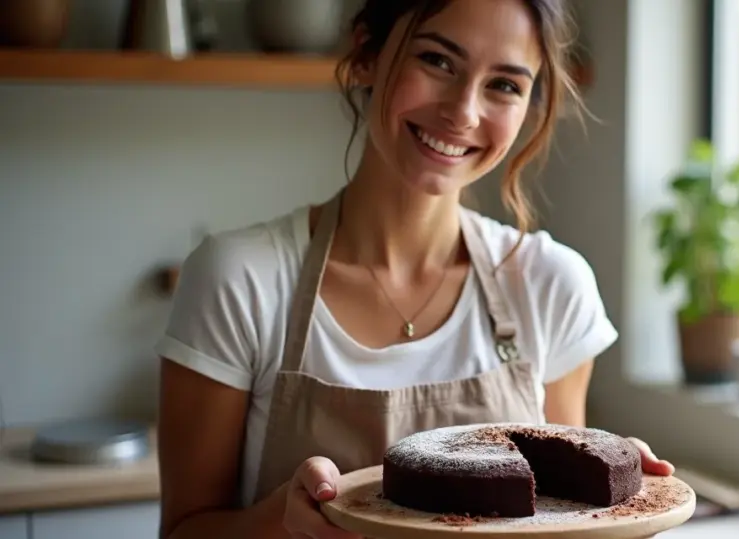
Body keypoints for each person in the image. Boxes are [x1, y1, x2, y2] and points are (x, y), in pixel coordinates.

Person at [155, 1, 675, 538]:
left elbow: (558, 522)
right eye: (438, 60)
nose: (464, 112)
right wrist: (283, 522)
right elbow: (184, 530)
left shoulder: (549, 285)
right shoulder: (239, 280)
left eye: (504, 85)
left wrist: (614, 510)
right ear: (366, 55)